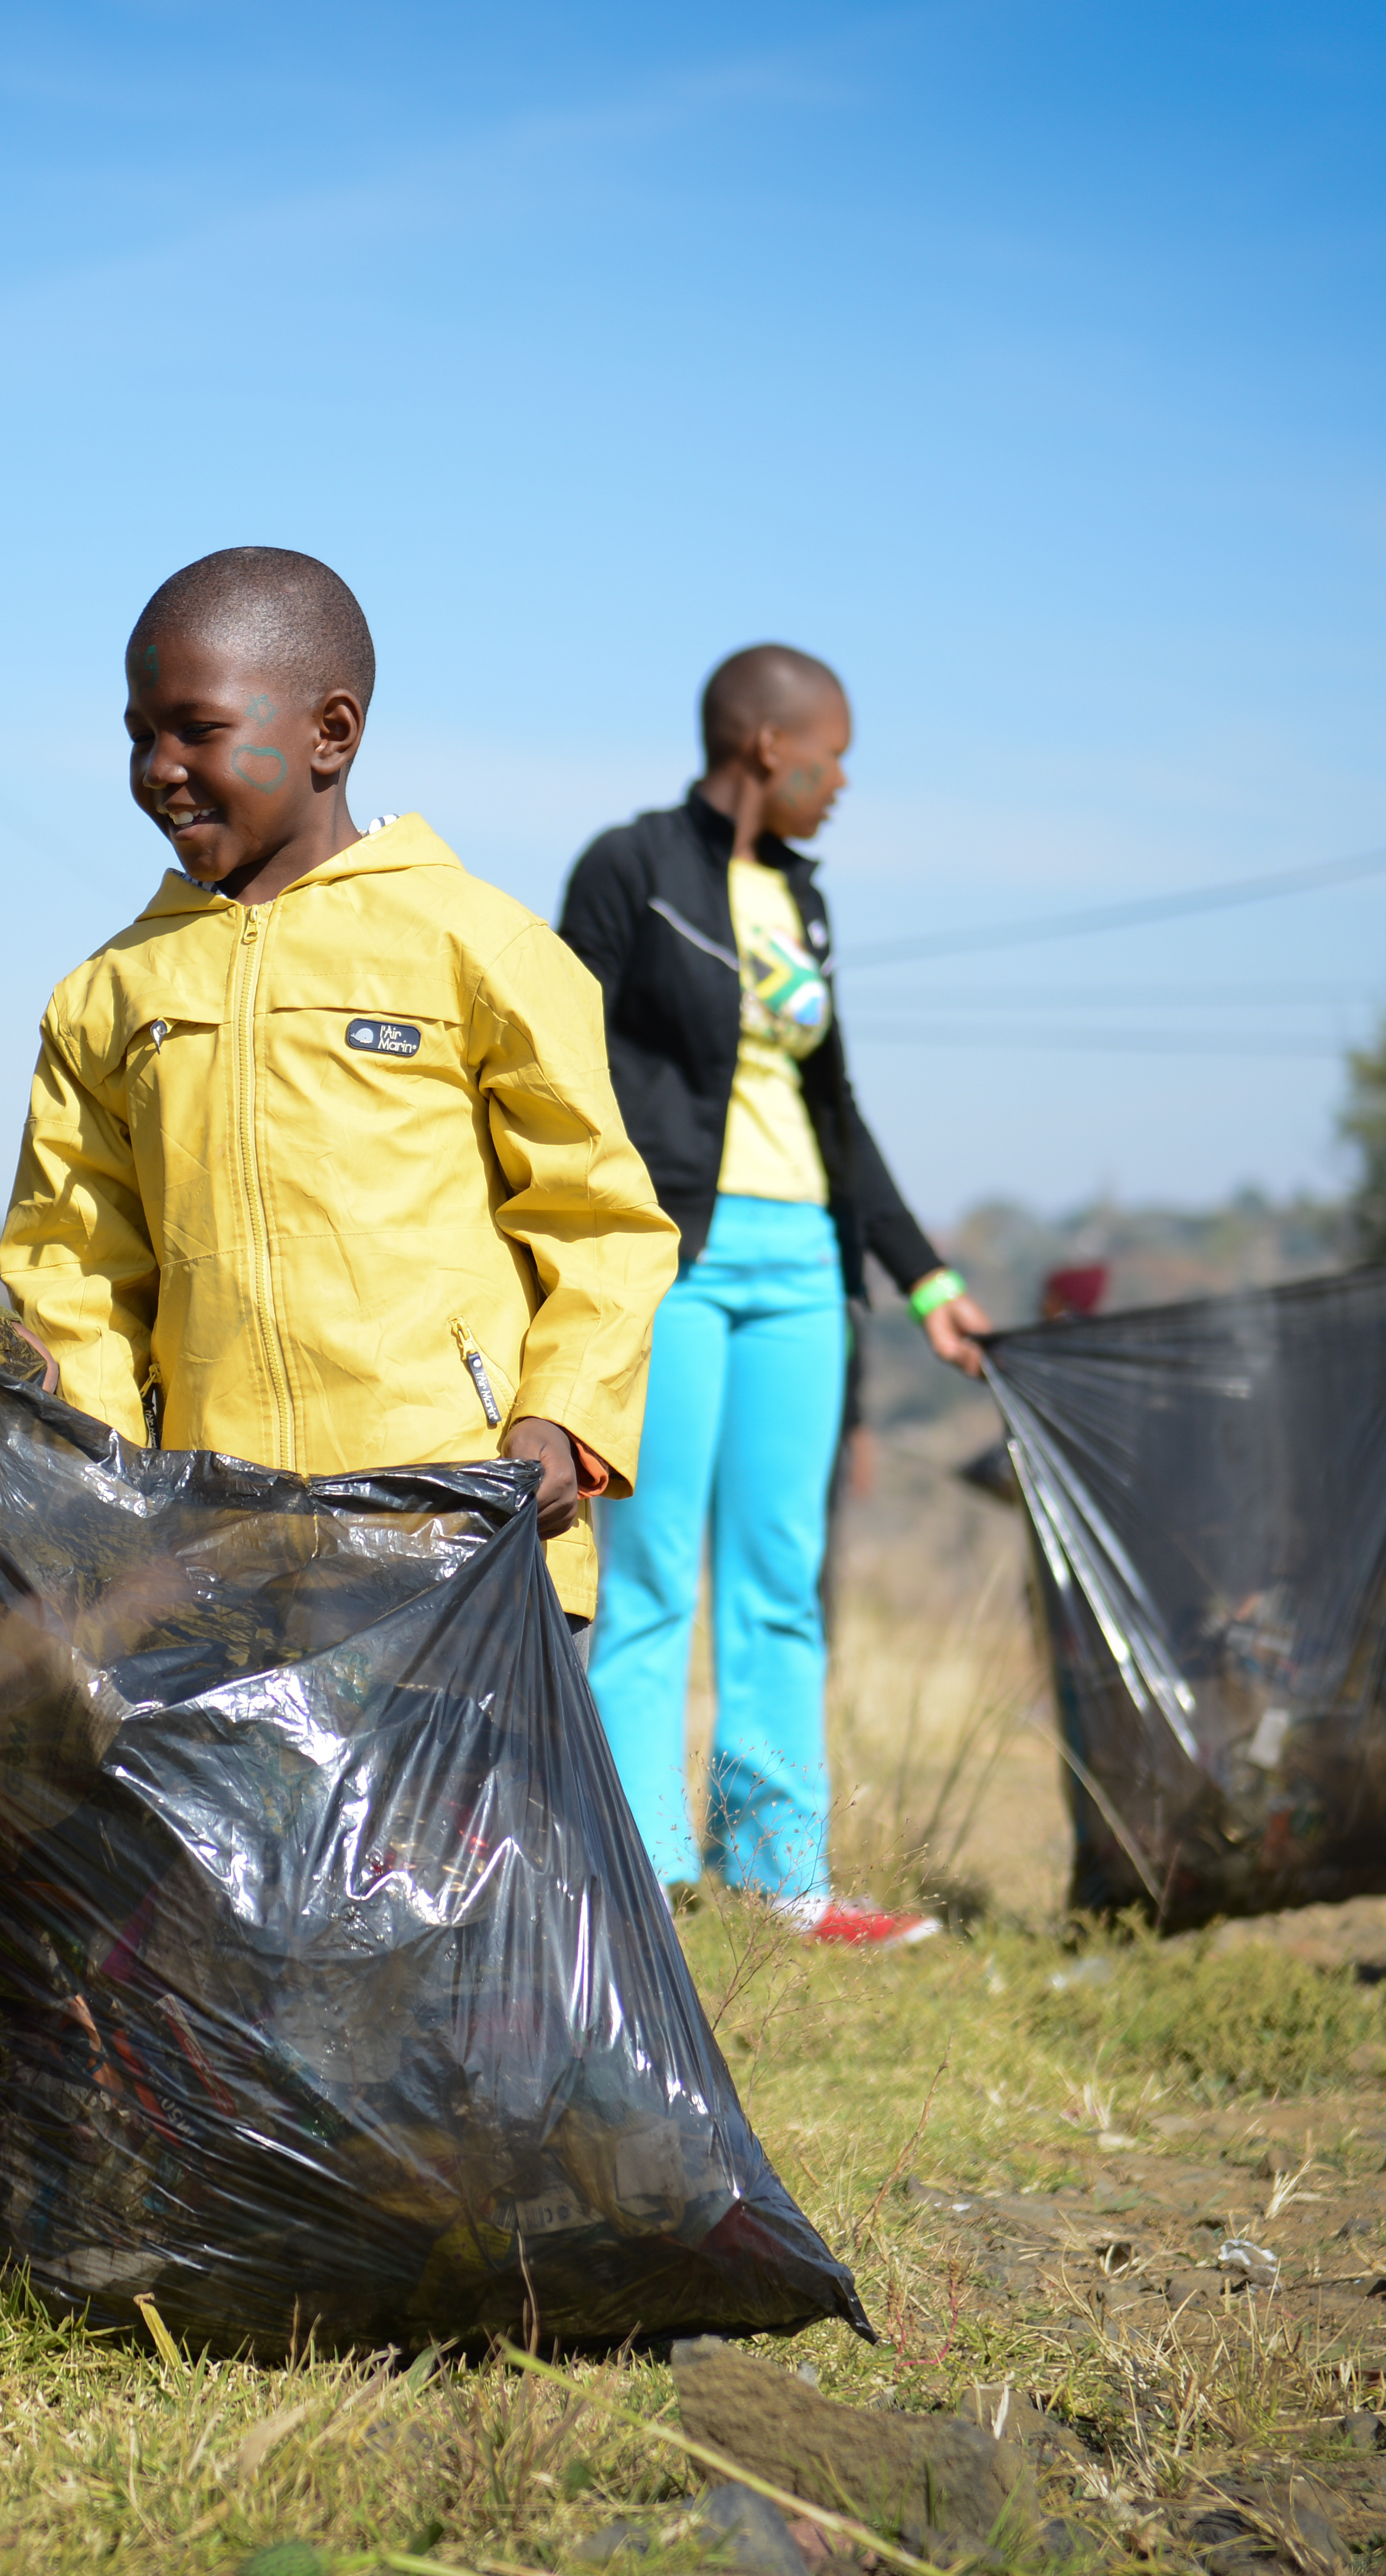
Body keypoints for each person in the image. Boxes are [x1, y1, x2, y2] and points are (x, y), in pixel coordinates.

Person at [1, 546, 674, 1624]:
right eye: (138, 735)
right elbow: (74, 1268)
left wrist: (560, 1422)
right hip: (217, 1550)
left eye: (196, 729)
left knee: (462, 1808)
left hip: (459, 1533)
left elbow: (599, 1224)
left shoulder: (478, 944)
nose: (156, 767)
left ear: (331, 733)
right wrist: (113, 1495)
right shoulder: (107, 995)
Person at [558, 646, 995, 1948]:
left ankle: (782, 1878)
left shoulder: (805, 903)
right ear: (765, 745)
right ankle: (647, 1871)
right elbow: (559, 1060)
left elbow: (835, 1105)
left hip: (806, 1262)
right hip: (678, 1261)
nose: (843, 781)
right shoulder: (629, 869)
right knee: (650, 1574)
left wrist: (927, 1281)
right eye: (832, 754)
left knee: (780, 1573)